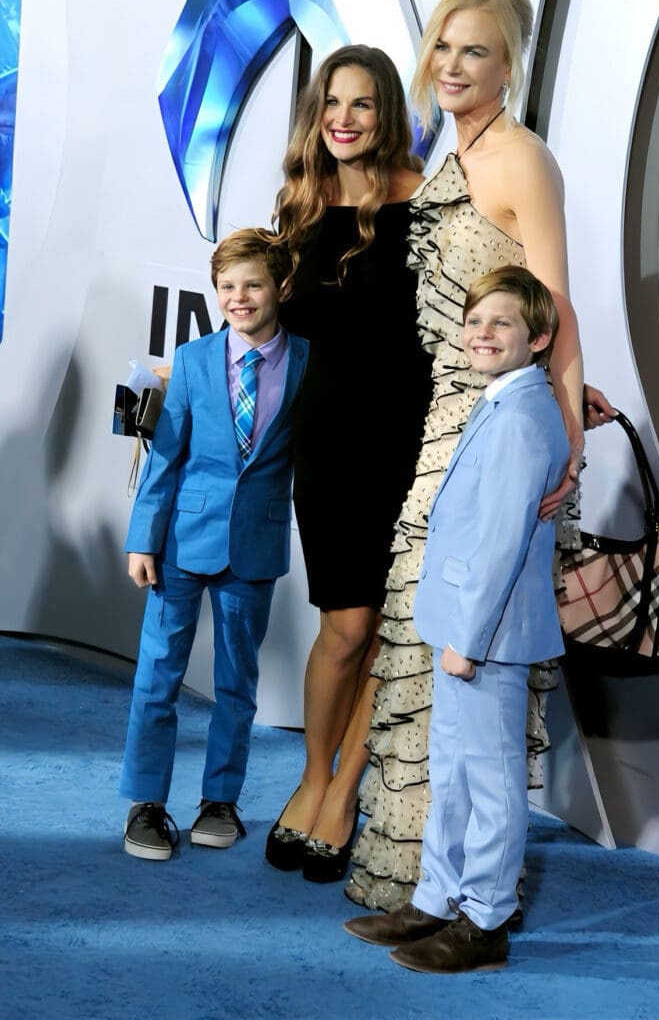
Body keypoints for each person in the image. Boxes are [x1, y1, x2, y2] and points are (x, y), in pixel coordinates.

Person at [347, 0, 615, 911]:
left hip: (498, 427)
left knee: (469, 656)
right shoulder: (447, 152)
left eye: (477, 51)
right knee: (426, 651)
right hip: (441, 425)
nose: (454, 66)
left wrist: (567, 435)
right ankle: (423, 887)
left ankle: (469, 902)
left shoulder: (519, 159)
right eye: (445, 47)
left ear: (509, 66)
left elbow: (556, 304)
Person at [344, 267, 569, 973]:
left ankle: (485, 920)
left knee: (491, 783)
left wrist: (466, 643)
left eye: (501, 323)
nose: (482, 333)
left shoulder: (526, 415)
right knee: (452, 774)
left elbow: (501, 541)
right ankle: (436, 899)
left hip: (487, 638)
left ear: (537, 338)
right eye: (474, 321)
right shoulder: (504, 401)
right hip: (464, 629)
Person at [264, 45, 433, 882]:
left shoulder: (426, 198)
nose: (343, 119)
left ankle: (342, 796)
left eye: (361, 105)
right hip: (326, 441)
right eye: (333, 102)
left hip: (410, 440)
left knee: (389, 626)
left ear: (386, 112)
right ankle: (310, 778)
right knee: (345, 627)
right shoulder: (300, 199)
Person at [120, 228, 309, 860]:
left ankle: (219, 801)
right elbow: (165, 457)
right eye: (227, 286)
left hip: (254, 545)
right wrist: (142, 539)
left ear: (281, 287)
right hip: (179, 540)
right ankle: (146, 805)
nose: (239, 297)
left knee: (237, 684)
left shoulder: (309, 361)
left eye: (253, 284)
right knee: (158, 676)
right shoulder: (195, 359)